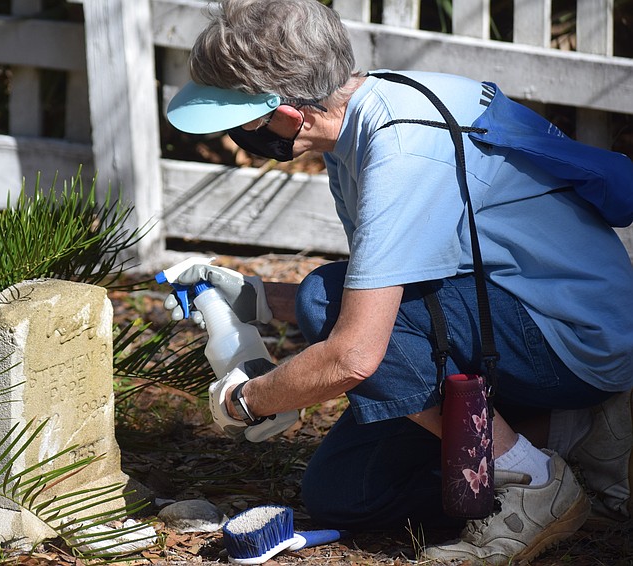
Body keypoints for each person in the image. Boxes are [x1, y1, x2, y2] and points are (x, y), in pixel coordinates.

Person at [163, 0, 633, 564]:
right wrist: (256, 298)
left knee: (324, 298)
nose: (238, 135)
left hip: (574, 339)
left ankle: (533, 482)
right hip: (510, 315)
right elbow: (390, 287)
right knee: (346, 496)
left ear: (287, 116)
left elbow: (355, 354)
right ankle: (569, 437)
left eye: (237, 121)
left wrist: (247, 401)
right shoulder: (359, 120)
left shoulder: (402, 147)